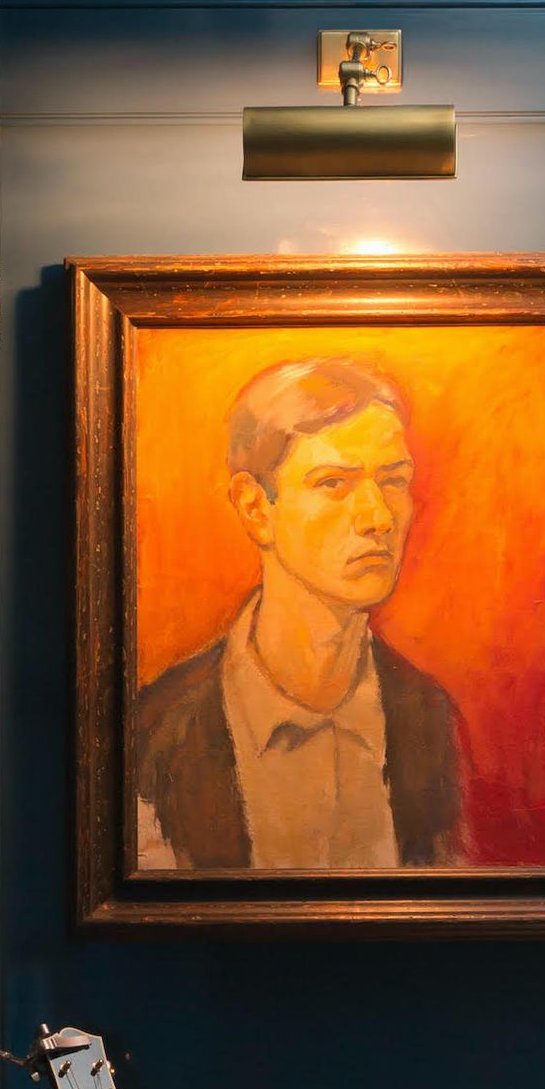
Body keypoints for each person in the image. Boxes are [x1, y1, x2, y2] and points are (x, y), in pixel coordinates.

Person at [136, 357, 467, 872]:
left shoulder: (427, 717)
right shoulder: (158, 731)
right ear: (255, 508)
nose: (378, 517)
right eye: (334, 483)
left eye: (394, 481)